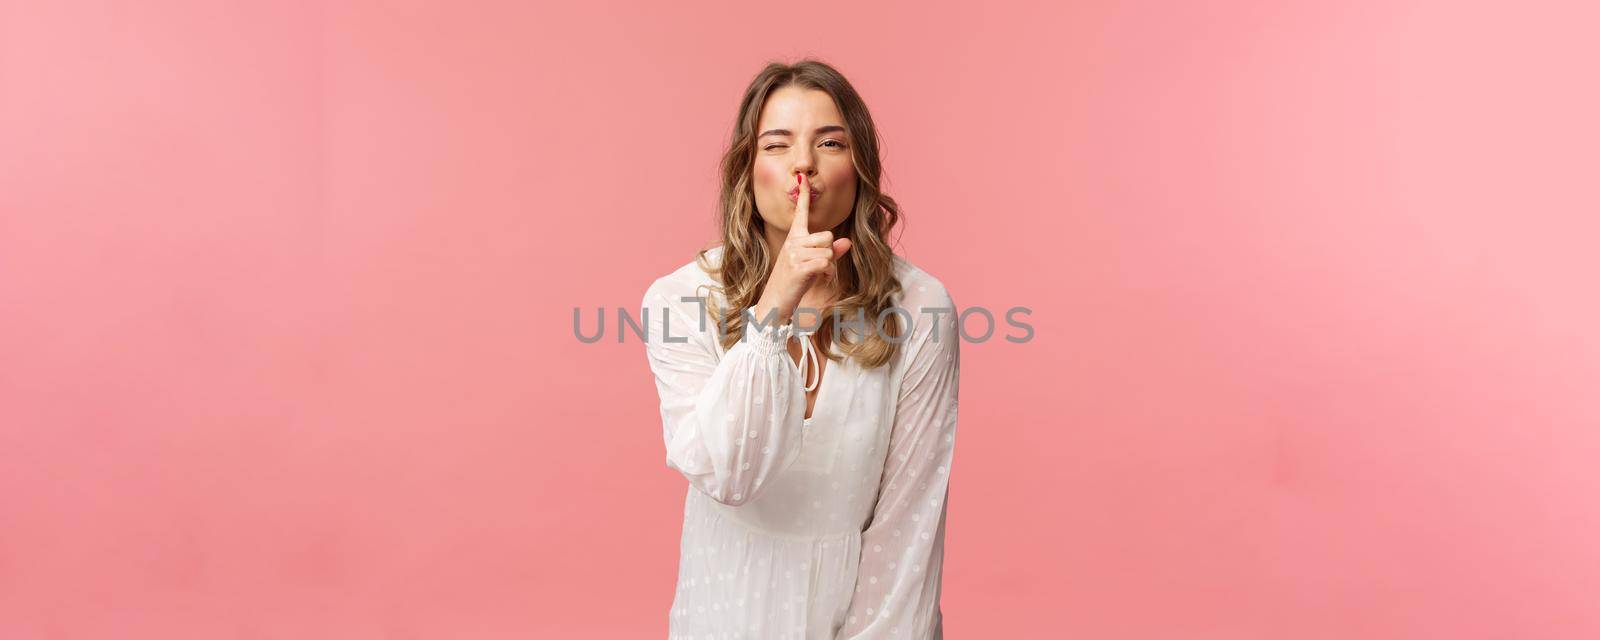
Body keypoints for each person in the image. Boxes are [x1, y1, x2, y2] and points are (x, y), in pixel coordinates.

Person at [640, 59, 960, 640]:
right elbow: (728, 476)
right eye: (777, 144)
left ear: (859, 166)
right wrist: (775, 306)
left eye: (830, 142)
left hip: (866, 611)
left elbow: (910, 521)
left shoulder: (921, 307)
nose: (803, 164)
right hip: (723, 610)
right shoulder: (678, 300)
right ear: (748, 168)